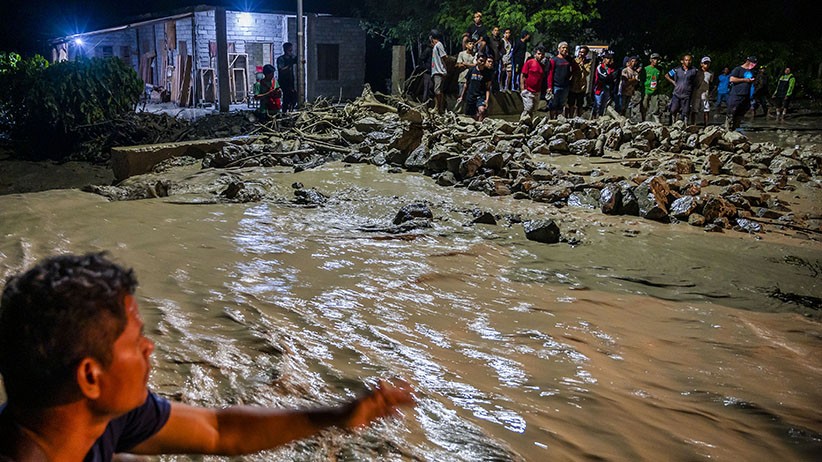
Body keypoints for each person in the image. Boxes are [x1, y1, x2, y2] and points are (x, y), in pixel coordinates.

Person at [0, 253, 415, 461]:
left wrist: (340, 415)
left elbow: (220, 430)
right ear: (90, 377)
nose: (150, 347)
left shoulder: (98, 417)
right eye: (136, 340)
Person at [545, 41, 578, 119]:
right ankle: (552, 119)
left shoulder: (569, 60)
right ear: (559, 49)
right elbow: (550, 74)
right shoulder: (554, 60)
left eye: (566, 48)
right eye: (563, 48)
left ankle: (558, 118)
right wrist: (549, 87)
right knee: (553, 104)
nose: (565, 49)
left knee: (561, 105)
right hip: (555, 85)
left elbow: (574, 69)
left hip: (565, 86)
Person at [726, 56, 758, 130]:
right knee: (731, 112)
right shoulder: (738, 69)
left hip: (746, 94)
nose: (754, 66)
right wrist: (745, 80)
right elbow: (732, 79)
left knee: (741, 113)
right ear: (748, 62)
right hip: (736, 94)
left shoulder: (752, 71)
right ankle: (728, 128)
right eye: (753, 64)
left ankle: (736, 128)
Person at [664, 54, 697, 124]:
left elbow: (697, 80)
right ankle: (673, 123)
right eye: (686, 60)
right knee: (673, 109)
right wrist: (673, 82)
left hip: (687, 94)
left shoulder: (694, 70)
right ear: (682, 61)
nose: (688, 62)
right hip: (677, 93)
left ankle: (685, 124)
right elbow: (667, 75)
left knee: (686, 111)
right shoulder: (676, 70)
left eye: (689, 60)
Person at [460, 54, 493, 122]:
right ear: (477, 60)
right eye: (480, 61)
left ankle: (479, 125)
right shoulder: (471, 70)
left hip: (480, 96)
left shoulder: (487, 73)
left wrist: (487, 100)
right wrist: (462, 96)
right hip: (470, 96)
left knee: (482, 110)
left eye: (483, 61)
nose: (482, 63)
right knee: (472, 116)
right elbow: (466, 84)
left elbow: (488, 88)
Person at [519, 45, 546, 124]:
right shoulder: (529, 62)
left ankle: (529, 123)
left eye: (542, 54)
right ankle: (522, 121)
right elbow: (523, 75)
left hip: (537, 91)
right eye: (539, 54)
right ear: (535, 54)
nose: (541, 56)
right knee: (528, 108)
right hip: (528, 90)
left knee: (534, 109)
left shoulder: (542, 65)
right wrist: (522, 88)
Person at [591, 51, 617, 118]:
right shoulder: (600, 67)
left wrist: (610, 78)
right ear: (604, 59)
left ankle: (600, 117)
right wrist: (609, 77)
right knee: (598, 103)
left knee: (604, 104)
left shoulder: (612, 69)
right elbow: (602, 77)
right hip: (599, 88)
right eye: (608, 59)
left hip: (608, 88)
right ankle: (594, 117)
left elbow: (613, 77)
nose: (610, 61)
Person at [567, 45, 591, 118]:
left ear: (586, 53)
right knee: (571, 103)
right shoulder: (574, 60)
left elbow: (587, 72)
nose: (581, 54)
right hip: (573, 85)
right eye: (580, 52)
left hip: (581, 86)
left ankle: (578, 118)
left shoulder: (588, 62)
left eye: (583, 52)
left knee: (580, 104)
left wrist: (583, 66)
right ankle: (570, 117)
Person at [689, 56, 713, 127]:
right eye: (705, 63)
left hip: (705, 94)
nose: (707, 65)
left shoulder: (710, 73)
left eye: (708, 63)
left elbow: (711, 83)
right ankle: (693, 124)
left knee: (706, 109)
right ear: (701, 64)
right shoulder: (696, 72)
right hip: (696, 93)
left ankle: (706, 124)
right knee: (694, 109)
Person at [276, 42, 298, 112]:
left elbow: (298, 60)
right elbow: (281, 69)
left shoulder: (291, 58)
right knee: (286, 98)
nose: (291, 52)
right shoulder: (281, 59)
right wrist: (289, 65)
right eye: (289, 50)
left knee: (293, 97)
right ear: (285, 50)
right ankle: (284, 112)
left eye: (291, 50)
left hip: (290, 81)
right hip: (284, 81)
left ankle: (290, 111)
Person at [639, 52, 662, 122]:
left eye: (657, 59)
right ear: (650, 60)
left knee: (656, 107)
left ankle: (656, 122)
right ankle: (643, 120)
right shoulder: (645, 69)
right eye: (654, 59)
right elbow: (641, 80)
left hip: (655, 91)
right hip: (646, 90)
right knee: (644, 106)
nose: (656, 61)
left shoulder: (659, 69)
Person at [430, 30, 447, 114]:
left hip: (439, 71)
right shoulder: (436, 46)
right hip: (436, 70)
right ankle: (438, 107)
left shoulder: (439, 45)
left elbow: (444, 56)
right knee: (438, 90)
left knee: (437, 91)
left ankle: (439, 108)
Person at [456, 39, 476, 104]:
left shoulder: (475, 55)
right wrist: (470, 65)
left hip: (471, 78)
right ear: (466, 45)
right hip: (462, 77)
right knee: (460, 95)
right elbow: (459, 65)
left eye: (473, 44)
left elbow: (475, 65)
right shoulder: (461, 54)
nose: (472, 45)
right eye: (470, 44)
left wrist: (465, 64)